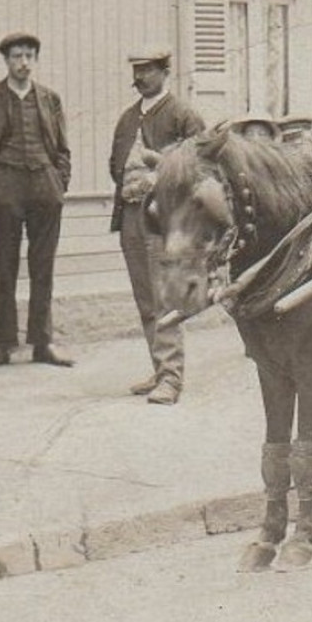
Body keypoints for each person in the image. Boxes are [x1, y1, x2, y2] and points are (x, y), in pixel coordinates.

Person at [0, 32, 76, 369]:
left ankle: (43, 342)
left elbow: (63, 148)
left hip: (44, 184)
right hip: (6, 185)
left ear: (35, 59)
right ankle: (3, 344)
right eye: (17, 56)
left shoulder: (49, 99)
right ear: (6, 60)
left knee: (43, 268)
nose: (23, 62)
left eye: (29, 55)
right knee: (5, 268)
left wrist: (58, 182)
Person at [109, 49, 205, 405]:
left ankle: (171, 377)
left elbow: (201, 164)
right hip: (130, 216)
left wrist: (158, 178)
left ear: (166, 72)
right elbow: (114, 165)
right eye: (136, 70)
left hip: (165, 217)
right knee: (145, 297)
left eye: (147, 70)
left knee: (166, 297)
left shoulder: (183, 115)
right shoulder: (127, 118)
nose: (140, 77)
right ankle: (159, 367)